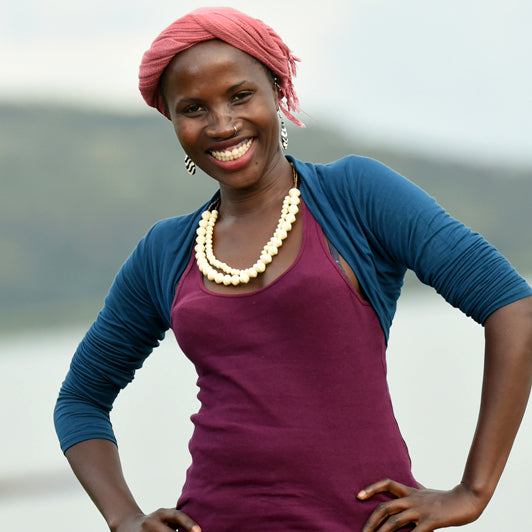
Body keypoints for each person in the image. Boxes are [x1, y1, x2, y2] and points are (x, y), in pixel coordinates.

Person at [54, 7, 532, 532]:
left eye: (240, 96)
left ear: (278, 91)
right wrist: (124, 518)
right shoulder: (165, 251)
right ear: (172, 120)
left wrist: (473, 491)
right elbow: (80, 400)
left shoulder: (355, 196)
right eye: (193, 108)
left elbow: (513, 307)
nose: (222, 124)